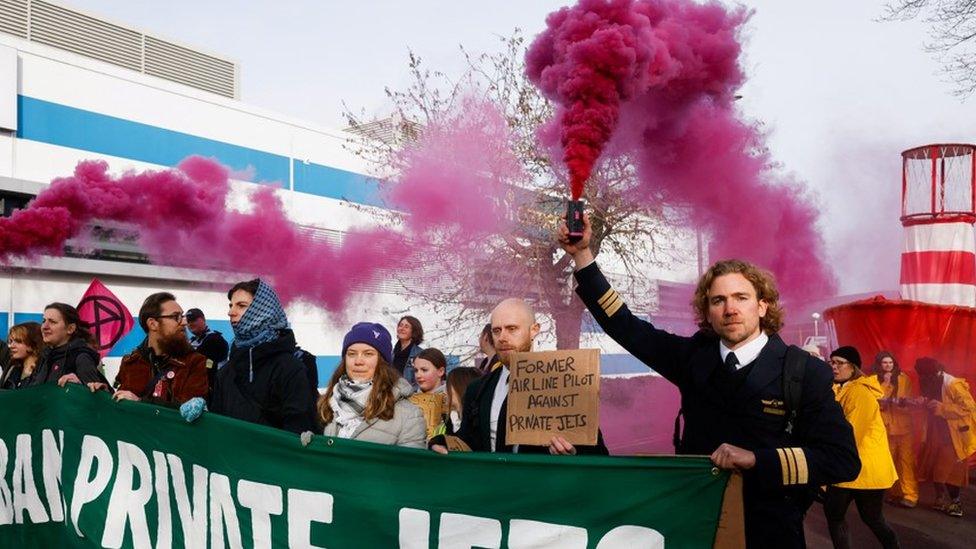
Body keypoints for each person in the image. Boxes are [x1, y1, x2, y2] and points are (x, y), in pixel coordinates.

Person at [558, 214, 858, 548]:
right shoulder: (692, 358)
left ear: (763, 306)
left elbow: (842, 460)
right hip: (696, 526)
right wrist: (583, 256)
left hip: (770, 532)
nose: (730, 309)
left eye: (741, 298)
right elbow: (625, 326)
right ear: (707, 311)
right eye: (718, 300)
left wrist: (757, 459)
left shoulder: (804, 371)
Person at [433, 297, 609, 455]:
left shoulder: (566, 385)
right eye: (496, 331)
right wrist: (441, 442)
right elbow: (467, 443)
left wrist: (574, 453)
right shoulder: (477, 389)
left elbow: (598, 454)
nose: (502, 337)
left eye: (511, 329)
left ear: (534, 330)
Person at [210, 279, 316, 434]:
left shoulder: (290, 368)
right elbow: (217, 427)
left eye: (241, 305)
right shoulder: (226, 371)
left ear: (264, 311)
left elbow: (297, 431)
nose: (231, 312)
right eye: (231, 305)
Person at [825, 346, 900, 549]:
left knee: (871, 519)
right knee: (840, 515)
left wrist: (826, 468)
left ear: (853, 367)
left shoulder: (860, 392)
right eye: (832, 362)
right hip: (852, 468)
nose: (834, 367)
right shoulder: (841, 388)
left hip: (863, 470)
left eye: (839, 363)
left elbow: (850, 435)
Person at [318, 322, 426, 448]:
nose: (358, 361)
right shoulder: (325, 405)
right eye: (352, 354)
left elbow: (409, 465)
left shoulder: (408, 416)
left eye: (368, 354)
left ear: (382, 361)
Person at [90, 293, 209, 406]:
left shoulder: (194, 362)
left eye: (182, 316)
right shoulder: (130, 362)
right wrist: (105, 394)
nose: (184, 322)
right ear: (152, 324)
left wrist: (141, 403)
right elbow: (122, 403)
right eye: (176, 317)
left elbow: (189, 413)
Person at [915, 357, 976, 518]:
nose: (923, 379)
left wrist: (942, 408)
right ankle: (940, 499)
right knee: (935, 466)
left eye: (926, 375)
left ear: (936, 372)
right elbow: (932, 401)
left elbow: (969, 407)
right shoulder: (928, 380)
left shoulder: (953, 384)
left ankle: (956, 503)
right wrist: (923, 401)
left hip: (954, 435)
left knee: (950, 470)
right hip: (935, 431)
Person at [873, 350, 917, 508]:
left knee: (906, 462)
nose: (888, 365)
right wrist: (885, 385)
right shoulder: (873, 380)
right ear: (879, 364)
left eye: (890, 362)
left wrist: (900, 401)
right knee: (889, 462)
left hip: (904, 428)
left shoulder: (903, 378)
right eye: (885, 363)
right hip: (885, 428)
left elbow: (909, 400)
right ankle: (895, 493)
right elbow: (874, 400)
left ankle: (910, 495)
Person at [33, 303, 107, 387]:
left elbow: (95, 395)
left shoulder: (82, 358)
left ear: (70, 329)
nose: (44, 327)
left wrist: (80, 385)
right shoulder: (44, 357)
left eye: (52, 322)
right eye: (43, 321)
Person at [185, 308, 229, 401]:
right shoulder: (192, 340)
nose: (190, 324)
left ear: (203, 319)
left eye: (193, 320)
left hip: (212, 391)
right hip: (194, 390)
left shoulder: (214, 339)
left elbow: (194, 360)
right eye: (188, 321)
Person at [1, 322, 45, 390]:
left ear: (32, 344)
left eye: (18, 341)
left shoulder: (45, 370)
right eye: (11, 341)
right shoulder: (12, 366)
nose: (11, 346)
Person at [392, 315, 424, 387]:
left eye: (406, 327)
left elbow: (421, 381)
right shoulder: (392, 353)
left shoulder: (420, 354)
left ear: (414, 331)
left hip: (410, 395)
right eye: (400, 325)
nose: (402, 328)